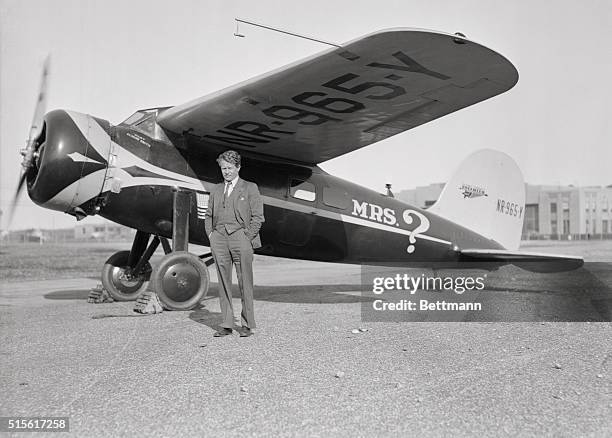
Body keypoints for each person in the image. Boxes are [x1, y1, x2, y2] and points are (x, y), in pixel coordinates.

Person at [204, 150, 264, 337]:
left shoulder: (250, 188)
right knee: (223, 281)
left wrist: (247, 237)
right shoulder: (215, 189)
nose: (226, 172)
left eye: (230, 168)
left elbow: (258, 217)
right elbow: (208, 215)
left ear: (238, 167)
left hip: (241, 238)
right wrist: (211, 235)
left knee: (245, 281)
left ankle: (247, 324)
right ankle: (227, 324)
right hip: (219, 239)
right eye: (223, 168)